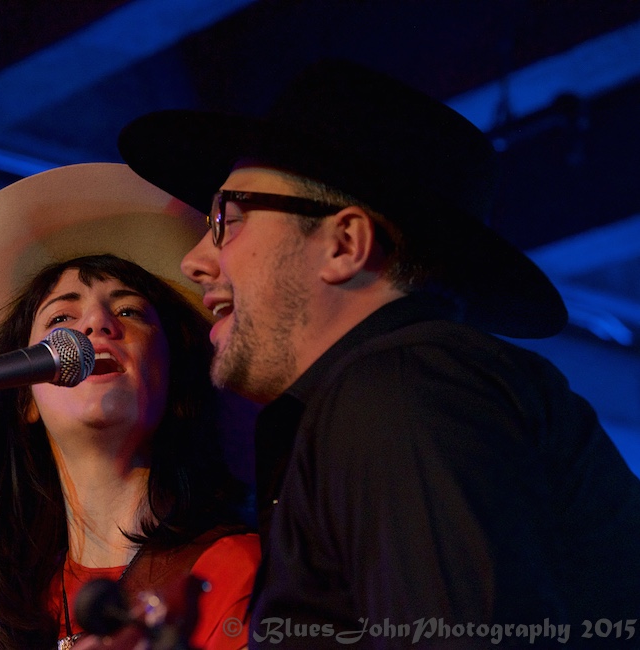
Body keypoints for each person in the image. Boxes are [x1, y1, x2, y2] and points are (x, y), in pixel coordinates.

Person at [117, 59, 640, 647]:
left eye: (228, 219)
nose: (195, 261)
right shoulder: (396, 394)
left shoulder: (399, 390)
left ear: (344, 244)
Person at [0, 163, 260, 650]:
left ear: (177, 386)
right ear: (24, 399)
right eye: (61, 318)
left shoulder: (234, 574)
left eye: (129, 311)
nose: (97, 324)